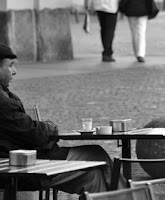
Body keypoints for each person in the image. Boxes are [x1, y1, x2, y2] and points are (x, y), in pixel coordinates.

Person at [0, 44, 125, 195]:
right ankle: (129, 196)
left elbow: (28, 131)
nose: (15, 71)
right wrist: (50, 127)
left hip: (30, 157)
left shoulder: (6, 95)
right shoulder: (3, 101)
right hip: (21, 165)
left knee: (94, 177)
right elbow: (34, 134)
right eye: (10, 66)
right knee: (96, 154)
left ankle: (125, 196)